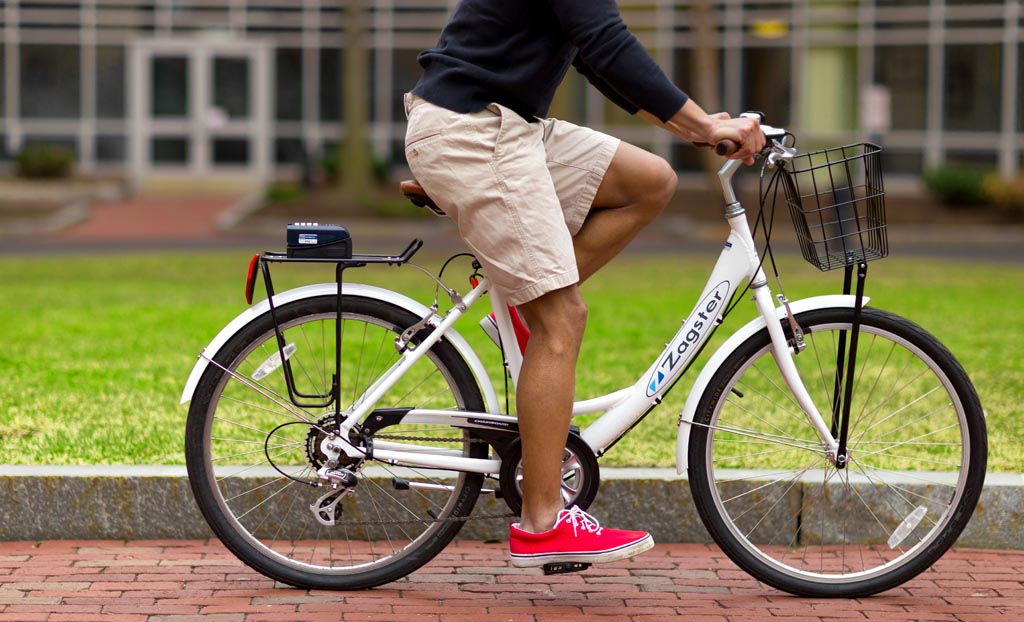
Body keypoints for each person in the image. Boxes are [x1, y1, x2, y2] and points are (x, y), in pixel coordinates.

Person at [404, 0, 764, 569]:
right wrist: (703, 125)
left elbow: (596, 60)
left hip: (506, 126)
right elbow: (607, 42)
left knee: (649, 181)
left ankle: (520, 308)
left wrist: (693, 126)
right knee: (562, 320)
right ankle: (542, 524)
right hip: (475, 131)